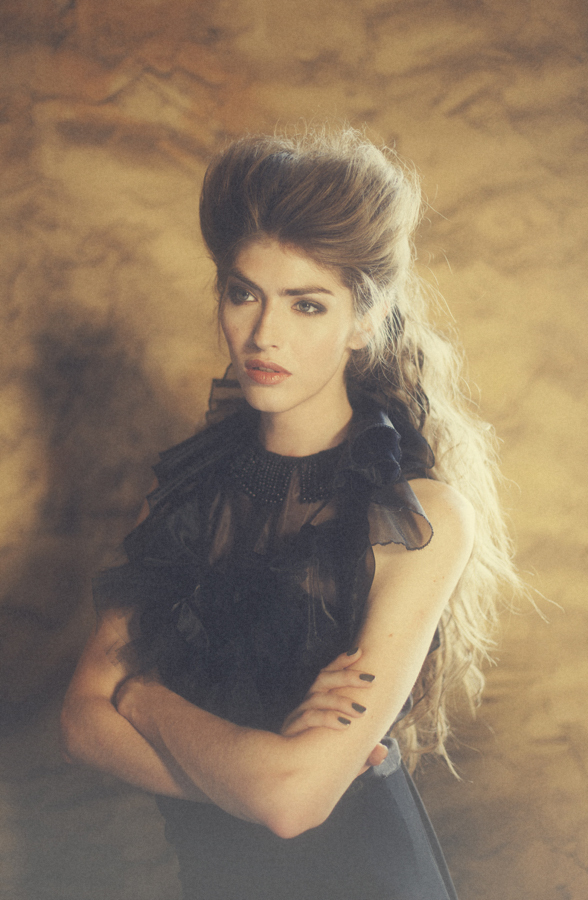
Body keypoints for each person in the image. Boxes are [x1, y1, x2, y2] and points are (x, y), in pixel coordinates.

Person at [60, 127, 519, 900]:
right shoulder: (187, 495)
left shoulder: (418, 515)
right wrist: (257, 778)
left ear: (364, 321)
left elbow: (292, 803)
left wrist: (141, 699)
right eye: (245, 293)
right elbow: (79, 725)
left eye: (307, 305)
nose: (265, 334)